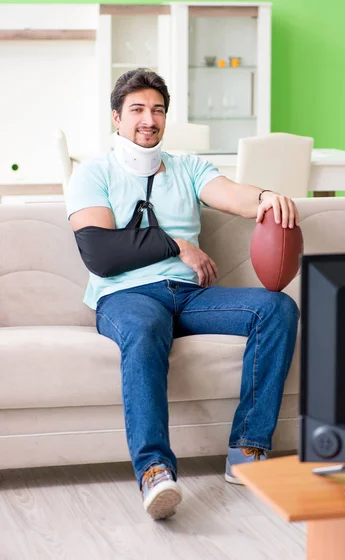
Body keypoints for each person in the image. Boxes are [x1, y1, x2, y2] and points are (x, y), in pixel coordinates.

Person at [66, 68, 300, 521]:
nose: (148, 119)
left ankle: (248, 450)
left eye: (157, 110)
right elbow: (100, 253)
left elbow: (232, 195)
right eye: (136, 109)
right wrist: (177, 244)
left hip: (190, 297)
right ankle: (155, 470)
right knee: (145, 324)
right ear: (116, 118)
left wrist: (268, 197)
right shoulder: (92, 173)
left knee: (277, 309)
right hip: (127, 296)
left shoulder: (188, 167)